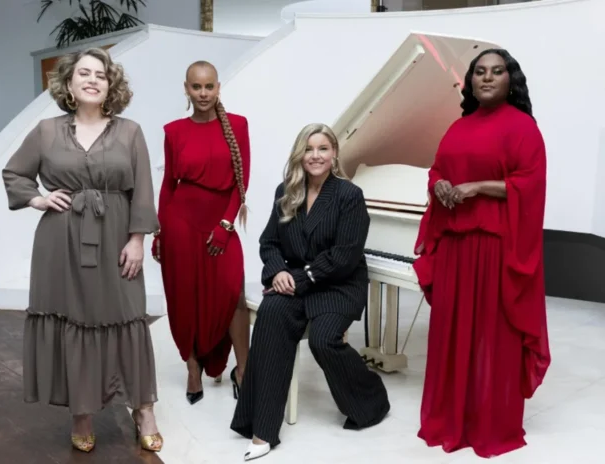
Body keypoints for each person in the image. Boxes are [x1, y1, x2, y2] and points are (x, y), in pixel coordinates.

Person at [2, 47, 163, 452]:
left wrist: (138, 239)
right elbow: (14, 173)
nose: (93, 80)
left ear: (111, 85)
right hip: (61, 242)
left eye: (101, 75)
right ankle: (82, 412)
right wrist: (38, 199)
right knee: (73, 319)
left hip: (116, 238)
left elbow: (143, 190)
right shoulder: (46, 131)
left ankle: (143, 409)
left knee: (127, 317)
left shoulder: (130, 131)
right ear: (69, 84)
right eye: (84, 73)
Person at [412, 48, 551, 458]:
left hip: (494, 249)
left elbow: (530, 184)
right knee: (453, 333)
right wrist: (438, 184)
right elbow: (438, 168)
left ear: (511, 80)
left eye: (497, 71)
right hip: (455, 249)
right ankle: (450, 416)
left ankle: (491, 422)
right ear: (470, 81)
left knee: (493, 337)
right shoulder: (458, 127)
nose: (487, 78)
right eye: (480, 72)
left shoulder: (523, 128)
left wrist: (477, 187)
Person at [231, 123, 390, 461]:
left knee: (323, 340)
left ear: (334, 154)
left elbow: (345, 256)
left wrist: (299, 278)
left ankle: (371, 399)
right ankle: (262, 428)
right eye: (308, 149)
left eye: (323, 148)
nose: (315, 156)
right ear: (299, 155)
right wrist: (277, 272)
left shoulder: (349, 195)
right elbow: (269, 243)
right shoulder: (286, 192)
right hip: (294, 280)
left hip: (338, 284)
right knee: (271, 314)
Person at [153, 60, 251, 405]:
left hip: (219, 221)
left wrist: (225, 225)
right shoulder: (174, 131)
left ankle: (244, 369)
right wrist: (159, 232)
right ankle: (192, 367)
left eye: (209, 86)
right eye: (197, 87)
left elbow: (241, 183)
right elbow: (169, 185)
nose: (203, 93)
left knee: (233, 294)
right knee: (185, 299)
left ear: (218, 87)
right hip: (180, 225)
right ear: (187, 89)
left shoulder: (237, 125)